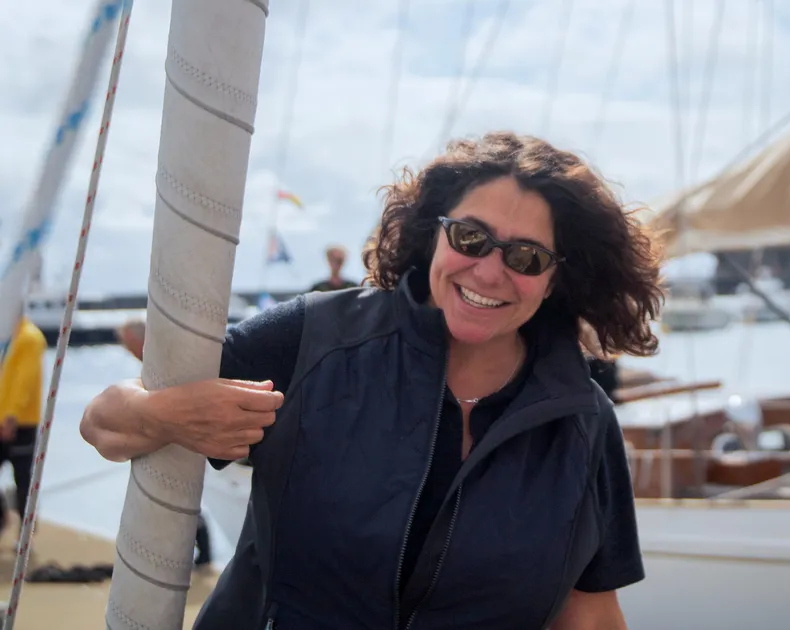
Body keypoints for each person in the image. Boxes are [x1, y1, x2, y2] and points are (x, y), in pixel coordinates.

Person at [80, 131, 664, 629]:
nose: (490, 270)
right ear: (432, 232)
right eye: (469, 238)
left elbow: (591, 616)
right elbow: (105, 420)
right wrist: (162, 415)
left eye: (527, 258)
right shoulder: (315, 341)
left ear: (557, 279)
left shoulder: (582, 422)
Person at [112, 318, 213, 570]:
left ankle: (202, 554)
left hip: (179, 438)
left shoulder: (165, 364)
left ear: (137, 341)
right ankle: (181, 553)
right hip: (165, 437)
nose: (126, 350)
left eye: (127, 344)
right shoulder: (153, 365)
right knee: (171, 498)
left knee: (183, 497)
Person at [0, 314, 46, 525]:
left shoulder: (29, 337)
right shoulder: (7, 336)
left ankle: (25, 533)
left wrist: (12, 416)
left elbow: (24, 381)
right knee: (22, 478)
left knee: (23, 479)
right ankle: (4, 520)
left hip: (20, 422)